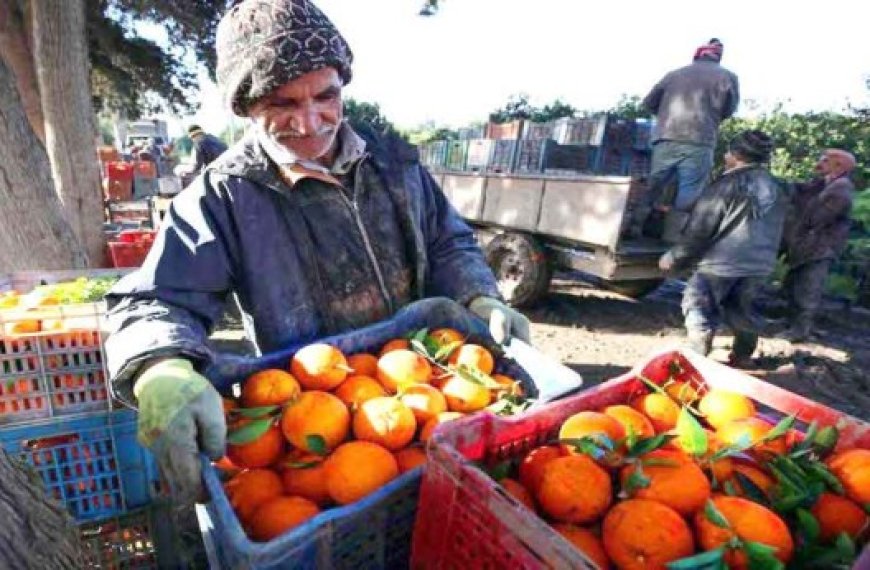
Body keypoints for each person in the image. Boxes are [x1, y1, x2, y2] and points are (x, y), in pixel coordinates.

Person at [103, 0, 529, 506]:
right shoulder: (223, 195)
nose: (309, 123)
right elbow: (160, 298)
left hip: (423, 395)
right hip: (310, 418)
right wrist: (161, 365)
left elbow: (448, 241)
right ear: (246, 108)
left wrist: (479, 297)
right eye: (282, 105)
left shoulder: (393, 163)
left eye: (325, 96)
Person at [658, 130, 786, 367]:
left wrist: (675, 256)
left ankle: (696, 359)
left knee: (698, 306)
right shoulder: (779, 187)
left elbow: (701, 228)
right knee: (742, 309)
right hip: (760, 265)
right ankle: (743, 356)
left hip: (721, 264)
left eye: (728, 152)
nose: (725, 156)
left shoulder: (726, 184)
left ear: (736, 155)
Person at [631, 39, 740, 238]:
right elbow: (729, 109)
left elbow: (648, 103)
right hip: (700, 140)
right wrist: (709, 116)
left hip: (666, 137)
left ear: (698, 54)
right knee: (689, 192)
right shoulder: (728, 77)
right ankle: (672, 240)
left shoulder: (674, 74)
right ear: (719, 57)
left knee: (653, 185)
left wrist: (665, 115)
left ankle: (633, 228)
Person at [780, 149, 857, 341]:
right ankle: (793, 326)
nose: (818, 164)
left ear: (839, 166)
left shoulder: (840, 188)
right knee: (794, 286)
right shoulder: (824, 183)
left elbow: (817, 219)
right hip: (809, 247)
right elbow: (800, 190)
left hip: (820, 248)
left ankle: (800, 331)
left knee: (807, 290)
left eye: (824, 160)